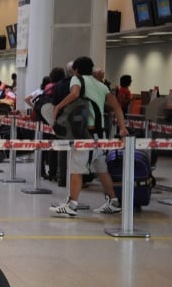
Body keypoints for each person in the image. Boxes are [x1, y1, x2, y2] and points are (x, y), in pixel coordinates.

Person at [50, 56, 129, 218]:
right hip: (101, 134)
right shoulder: (101, 86)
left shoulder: (76, 80)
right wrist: (122, 127)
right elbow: (117, 107)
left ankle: (72, 205)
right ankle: (113, 202)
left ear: (76, 69)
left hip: (84, 133)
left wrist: (58, 106)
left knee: (76, 168)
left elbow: (75, 93)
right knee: (101, 169)